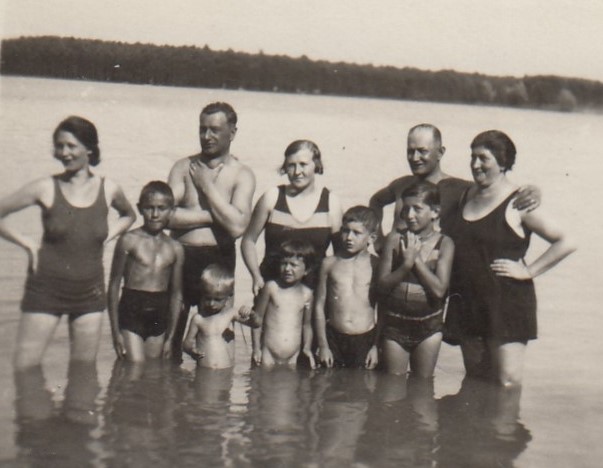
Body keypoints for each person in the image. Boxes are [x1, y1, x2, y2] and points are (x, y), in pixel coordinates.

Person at [0, 116, 136, 370]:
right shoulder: (45, 187)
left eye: (71, 146)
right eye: (59, 146)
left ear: (90, 149)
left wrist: (108, 235)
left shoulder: (109, 189)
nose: (64, 153)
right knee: (25, 369)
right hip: (45, 289)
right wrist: (27, 244)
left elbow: (129, 215)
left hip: (89, 292)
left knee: (84, 373)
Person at [445, 130, 575, 386]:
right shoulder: (465, 194)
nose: (475, 164)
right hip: (468, 302)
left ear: (503, 162)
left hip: (506, 304)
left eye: (483, 158)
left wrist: (529, 271)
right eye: (472, 157)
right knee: (475, 380)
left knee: (507, 383)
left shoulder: (518, 203)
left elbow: (567, 241)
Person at [168, 102, 256, 361]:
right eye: (202, 129)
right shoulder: (183, 167)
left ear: (232, 132)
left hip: (220, 261)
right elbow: (165, 216)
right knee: (170, 344)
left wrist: (206, 187)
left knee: (216, 347)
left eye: (215, 130)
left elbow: (237, 227)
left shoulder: (242, 174)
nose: (206, 136)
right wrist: (214, 216)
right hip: (181, 257)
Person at [369, 123, 540, 249]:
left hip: (429, 272)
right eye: (410, 151)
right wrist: (378, 242)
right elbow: (376, 201)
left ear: (440, 153)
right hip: (392, 268)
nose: (415, 158)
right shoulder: (401, 184)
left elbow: (496, 192)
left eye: (422, 151)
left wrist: (532, 191)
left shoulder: (459, 189)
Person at [241, 139, 342, 296]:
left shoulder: (331, 202)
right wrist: (256, 276)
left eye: (303, 164)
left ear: (316, 165)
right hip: (272, 289)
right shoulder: (272, 197)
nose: (297, 172)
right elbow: (248, 241)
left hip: (313, 292)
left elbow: (340, 256)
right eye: (291, 165)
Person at [377, 181, 454, 377]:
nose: (409, 215)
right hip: (395, 326)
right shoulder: (395, 239)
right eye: (406, 209)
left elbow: (439, 290)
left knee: (423, 386)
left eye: (417, 209)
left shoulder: (445, 243)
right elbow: (382, 286)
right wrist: (405, 266)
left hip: (429, 328)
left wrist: (415, 260)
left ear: (435, 212)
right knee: (392, 386)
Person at [107, 181, 184, 362]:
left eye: (161, 208)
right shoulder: (128, 240)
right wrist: (115, 332)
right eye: (149, 208)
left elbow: (176, 294)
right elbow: (113, 286)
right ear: (140, 208)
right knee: (134, 367)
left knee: (152, 371)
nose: (155, 214)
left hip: (159, 313)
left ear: (172, 210)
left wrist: (170, 338)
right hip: (132, 310)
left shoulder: (175, 248)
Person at [314, 206, 380, 369]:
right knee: (328, 381)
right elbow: (319, 305)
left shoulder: (376, 265)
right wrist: (323, 345)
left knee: (361, 382)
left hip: (365, 337)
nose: (349, 237)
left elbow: (383, 308)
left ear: (371, 237)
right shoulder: (329, 263)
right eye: (345, 231)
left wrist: (375, 346)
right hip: (334, 336)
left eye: (357, 233)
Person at [252, 240, 316, 369]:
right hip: (268, 353)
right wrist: (256, 348)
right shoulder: (271, 288)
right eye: (284, 263)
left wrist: (307, 348)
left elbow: (307, 325)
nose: (287, 269)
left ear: (307, 270)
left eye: (293, 265)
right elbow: (257, 320)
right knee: (262, 380)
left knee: (291, 381)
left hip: (293, 356)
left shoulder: (307, 294)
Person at [183, 264, 259, 369]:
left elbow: (256, 324)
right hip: (204, 371)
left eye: (217, 300)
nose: (211, 304)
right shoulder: (198, 319)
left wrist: (252, 314)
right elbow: (186, 343)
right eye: (207, 298)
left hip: (226, 371)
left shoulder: (231, 314)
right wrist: (191, 351)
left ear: (229, 297)